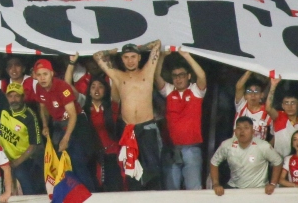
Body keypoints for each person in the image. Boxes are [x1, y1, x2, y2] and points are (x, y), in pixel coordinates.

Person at [90, 41, 163, 190]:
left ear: (139, 58)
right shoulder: (118, 76)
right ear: (122, 59)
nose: (130, 60)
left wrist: (141, 48)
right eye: (126, 57)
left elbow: (157, 45)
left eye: (133, 56)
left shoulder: (147, 71)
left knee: (153, 167)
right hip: (129, 129)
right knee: (130, 169)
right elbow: (97, 56)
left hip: (147, 126)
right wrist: (112, 52)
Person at [24, 59, 83, 183]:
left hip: (75, 124)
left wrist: (66, 138)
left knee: (77, 162)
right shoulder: (39, 88)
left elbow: (73, 115)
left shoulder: (62, 87)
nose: (42, 78)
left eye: (45, 74)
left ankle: (90, 196)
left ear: (51, 73)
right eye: (39, 75)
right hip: (57, 123)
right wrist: (45, 125)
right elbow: (42, 107)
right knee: (60, 161)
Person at [158, 47, 207, 191]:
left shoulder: (195, 91)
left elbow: (202, 76)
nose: (178, 78)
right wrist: (161, 57)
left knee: (194, 192)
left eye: (182, 75)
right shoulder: (169, 90)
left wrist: (187, 56)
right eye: (175, 76)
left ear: (189, 76)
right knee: (171, 193)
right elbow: (157, 77)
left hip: (191, 149)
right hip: (172, 149)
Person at [211, 116, 283, 196]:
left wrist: (272, 184)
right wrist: (216, 184)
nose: (242, 131)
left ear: (253, 131)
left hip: (259, 189)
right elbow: (214, 162)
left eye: (246, 128)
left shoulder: (263, 146)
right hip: (234, 188)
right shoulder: (227, 145)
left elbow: (278, 161)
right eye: (239, 128)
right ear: (235, 131)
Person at [80, 78, 121, 192]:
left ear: (106, 90)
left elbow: (115, 88)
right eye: (93, 87)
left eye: (100, 87)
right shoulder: (84, 111)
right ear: (89, 91)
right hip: (93, 156)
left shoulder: (112, 107)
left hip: (112, 154)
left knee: (114, 189)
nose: (96, 90)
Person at [233, 71, 273, 140]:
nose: (253, 95)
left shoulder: (267, 112)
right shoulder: (242, 105)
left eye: (256, 92)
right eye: (249, 92)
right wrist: (251, 69)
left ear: (262, 95)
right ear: (245, 95)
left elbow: (276, 134)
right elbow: (238, 87)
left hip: (257, 150)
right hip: (237, 148)